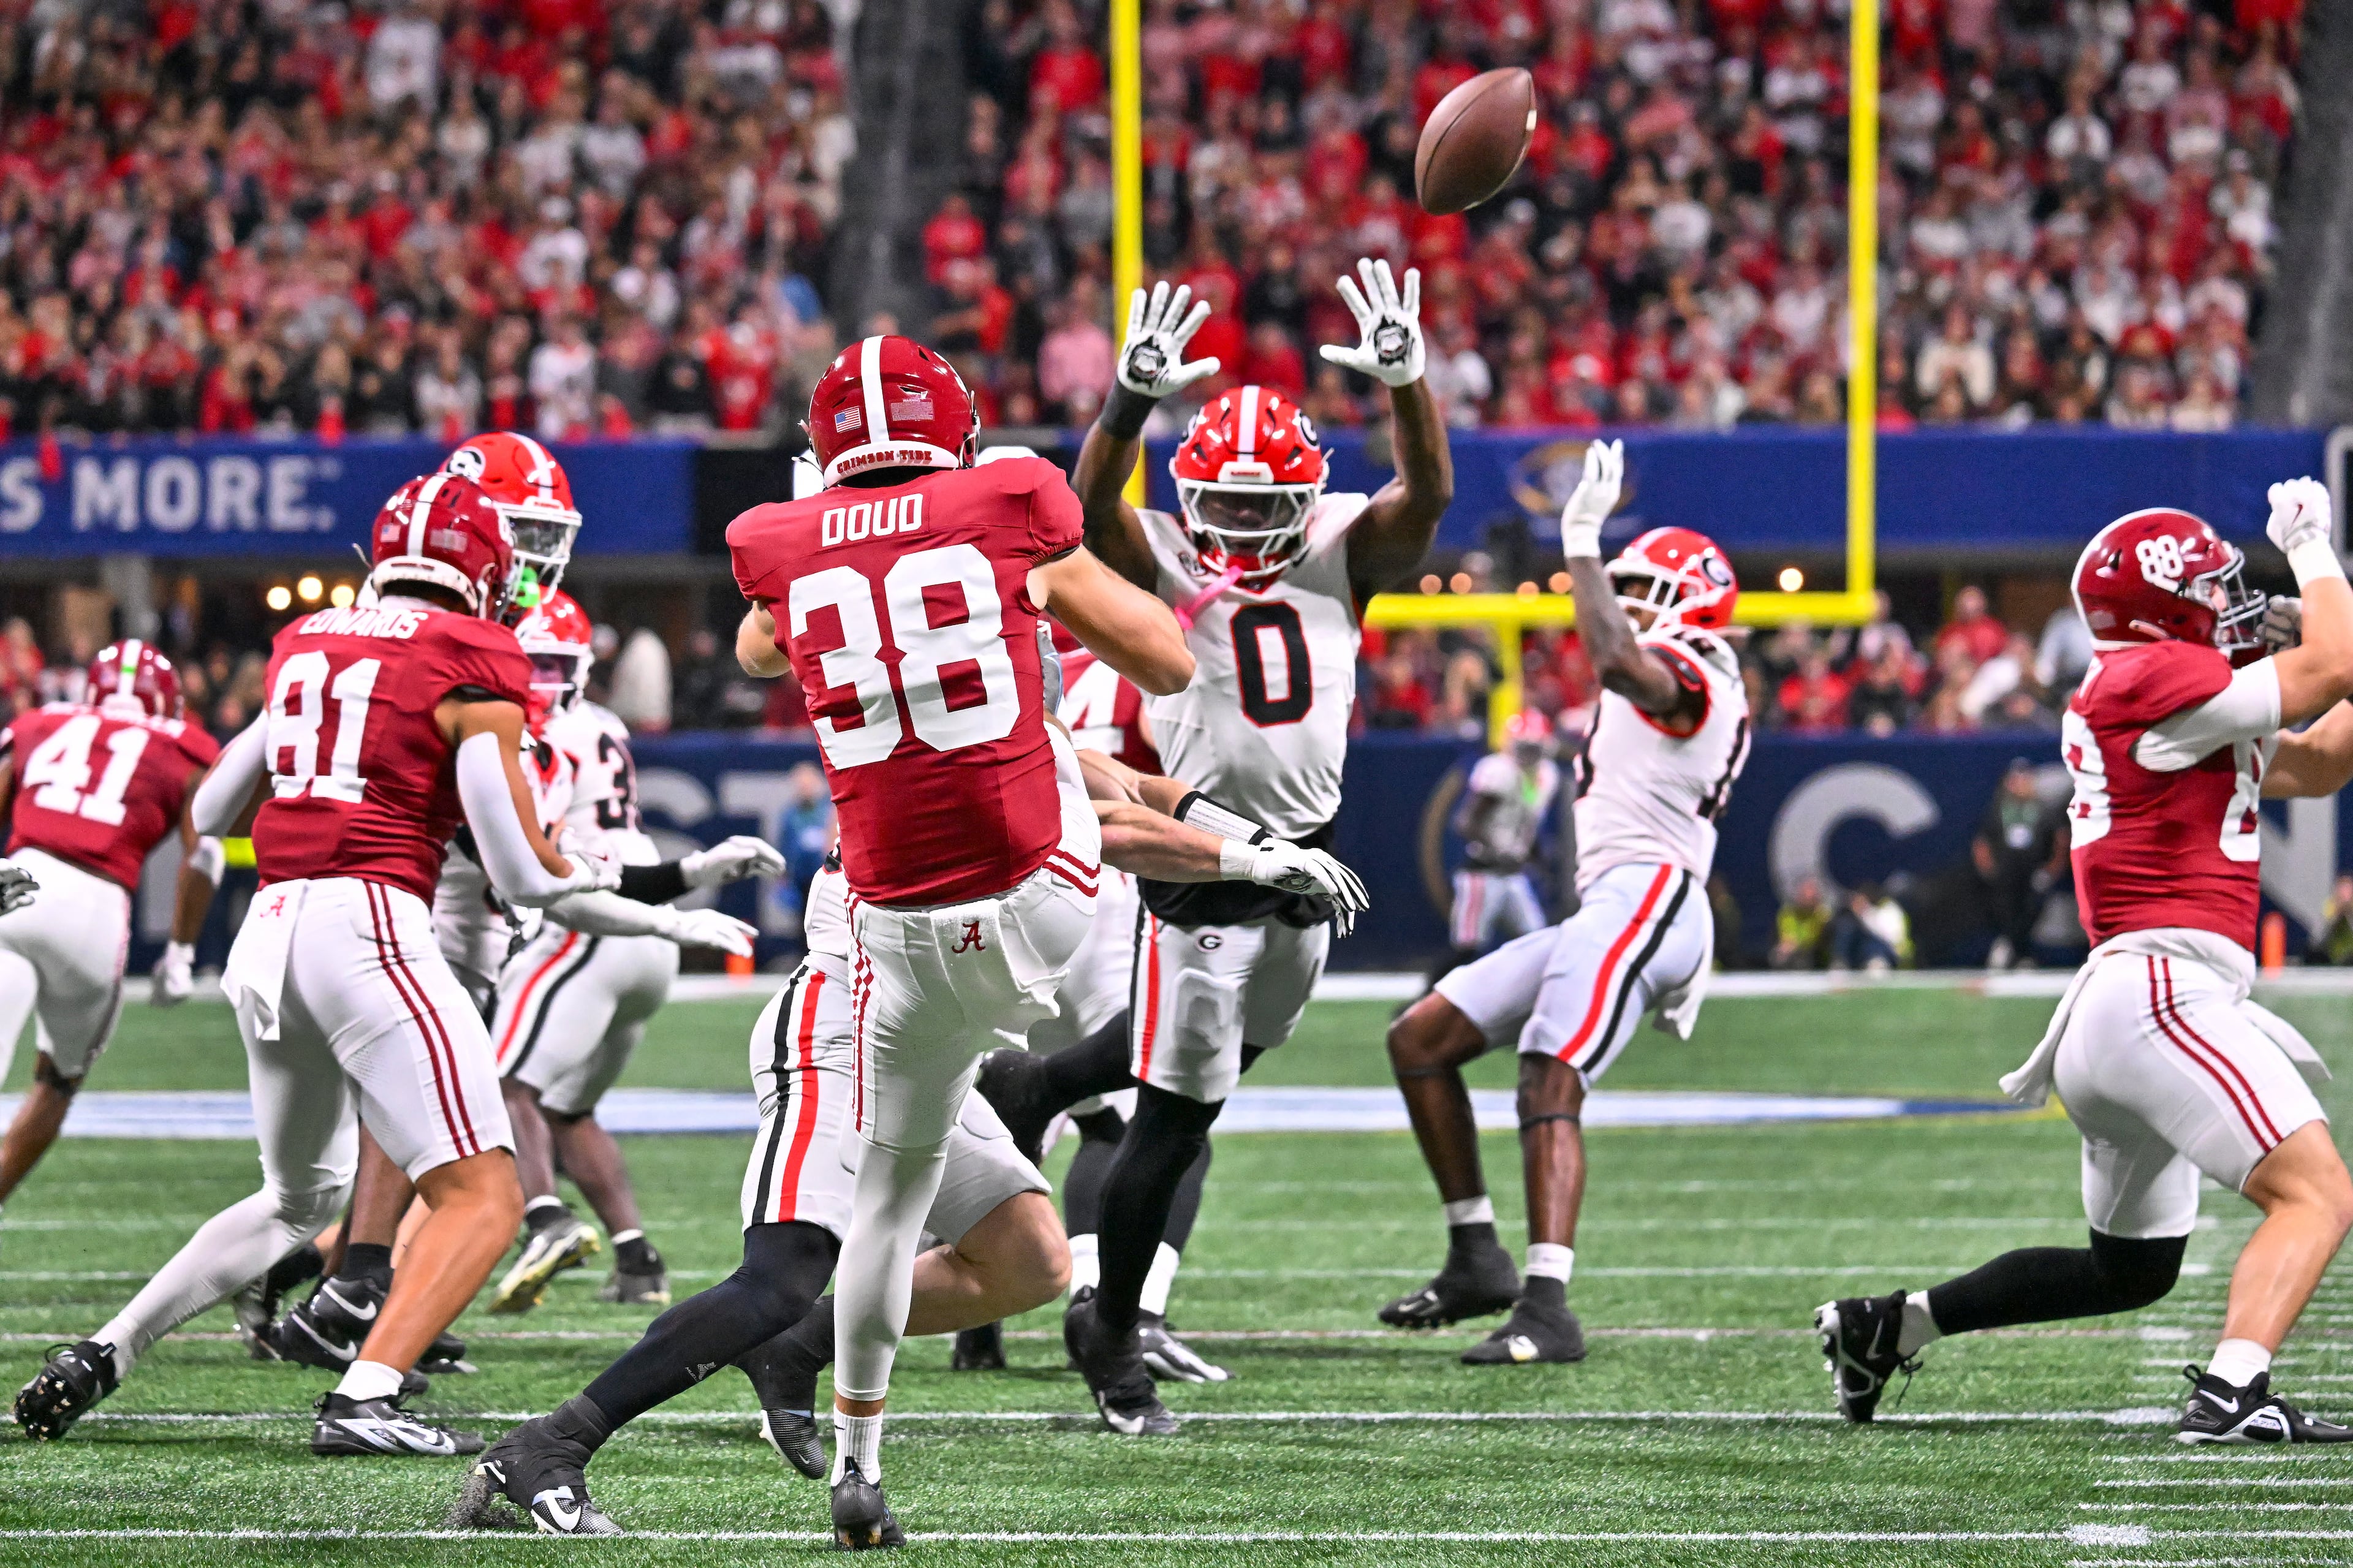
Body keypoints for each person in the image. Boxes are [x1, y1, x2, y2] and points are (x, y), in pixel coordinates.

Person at [455, 335, 1354, 1543]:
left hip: (929, 964)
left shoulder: (821, 566)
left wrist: (833, 519)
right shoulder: (1010, 529)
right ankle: (546, 1446)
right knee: (786, 1268)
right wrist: (1248, 852)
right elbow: (1151, 696)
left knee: (1026, 1254)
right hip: (871, 983)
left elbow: (767, 643)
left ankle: (856, 1457)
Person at [14, 473, 620, 1455]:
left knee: (298, 1195)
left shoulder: (308, 640)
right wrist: (574, 866)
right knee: (488, 1195)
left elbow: (211, 812)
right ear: (485, 569)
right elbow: (517, 869)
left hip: (270, 931)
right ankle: (364, 1394)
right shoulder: (477, 651)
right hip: (370, 921)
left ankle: (105, 1350)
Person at [974, 262, 1452, 1434]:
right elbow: (1089, 517)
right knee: (1179, 1115)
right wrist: (1124, 408)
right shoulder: (1164, 558)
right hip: (1198, 862)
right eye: (1220, 507)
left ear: (1304, 495)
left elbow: (1426, 494)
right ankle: (1113, 1338)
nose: (1236, 527)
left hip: (1313, 860)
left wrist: (1408, 381)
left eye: (1257, 507)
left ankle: (1036, 1084)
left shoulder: (1345, 548)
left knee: (1235, 1057)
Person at [1817, 481, 2353, 1445]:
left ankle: (1893, 1323)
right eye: (2214, 588)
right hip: (2163, 996)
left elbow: (2318, 761)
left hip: (2125, 1011)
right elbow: (2326, 668)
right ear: (2164, 611)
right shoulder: (2149, 679)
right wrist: (2316, 551)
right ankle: (2234, 1390)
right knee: (2317, 1192)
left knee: (2130, 1270)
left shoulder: (2162, 696)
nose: (2233, 602)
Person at [1380, 442, 1751, 1365]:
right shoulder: (1669, 654)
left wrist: (1580, 539)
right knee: (1420, 1038)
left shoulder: (1698, 661)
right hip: (1611, 902)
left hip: (1654, 895)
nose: (1619, 598)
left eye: (1636, 584)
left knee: (1551, 1070)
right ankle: (1478, 1256)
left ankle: (1548, 1307)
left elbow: (1626, 663)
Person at [488, 588, 784, 1312]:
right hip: (648, 920)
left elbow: (539, 855)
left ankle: (544, 1222)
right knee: (565, 1108)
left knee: (504, 1089)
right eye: (537, 665)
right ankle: (637, 1256)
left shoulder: (534, 733)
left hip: (596, 920)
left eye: (554, 666)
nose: (544, 681)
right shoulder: (604, 721)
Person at [0, 642, 222, 1218]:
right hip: (96, 910)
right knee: (58, 1082)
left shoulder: (37, 723)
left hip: (18, 878)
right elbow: (205, 857)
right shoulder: (185, 747)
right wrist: (179, 949)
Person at [1441, 709, 1560, 980]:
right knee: (1467, 949)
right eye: (1524, 747)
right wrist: (1498, 850)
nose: (1529, 754)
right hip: (1482, 873)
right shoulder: (1499, 771)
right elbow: (1465, 823)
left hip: (1512, 876)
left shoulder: (1545, 776)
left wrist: (1536, 857)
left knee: (1537, 943)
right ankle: (1424, 1001)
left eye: (1534, 747)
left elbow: (1526, 825)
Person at [1974, 758, 2063, 970]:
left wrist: (2051, 870)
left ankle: (2017, 952)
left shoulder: (2043, 809)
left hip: (2034, 872)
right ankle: (2013, 951)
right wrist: (1988, 868)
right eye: (2015, 779)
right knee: (2006, 912)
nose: (2019, 784)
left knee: (2031, 912)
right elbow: (1983, 841)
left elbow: (2061, 840)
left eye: (2023, 779)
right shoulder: (1999, 808)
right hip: (2006, 872)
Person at [1771, 874, 1833, 969]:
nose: (1808, 899)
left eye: (1812, 897)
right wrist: (1788, 945)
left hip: (1816, 953)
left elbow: (1814, 938)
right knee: (1779, 957)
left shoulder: (1822, 914)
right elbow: (1786, 935)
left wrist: (1798, 943)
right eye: (1805, 895)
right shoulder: (1787, 913)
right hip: (1793, 951)